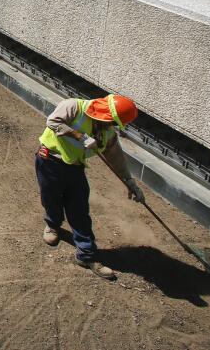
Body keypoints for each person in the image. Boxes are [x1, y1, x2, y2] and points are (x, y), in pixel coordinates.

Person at [36, 93, 145, 280]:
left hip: (76, 169)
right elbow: (53, 121)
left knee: (79, 210)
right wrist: (79, 135)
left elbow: (116, 159)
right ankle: (53, 225)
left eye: (115, 124)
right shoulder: (74, 107)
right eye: (112, 122)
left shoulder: (107, 133)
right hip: (50, 162)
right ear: (106, 113)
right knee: (51, 198)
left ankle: (86, 255)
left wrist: (130, 182)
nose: (112, 126)